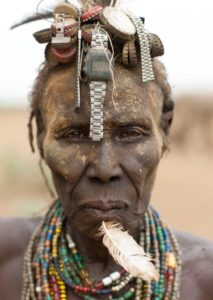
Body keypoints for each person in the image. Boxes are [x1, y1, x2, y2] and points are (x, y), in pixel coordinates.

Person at [0, 1, 213, 299]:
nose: (103, 168)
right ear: (39, 134)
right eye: (74, 134)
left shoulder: (204, 281)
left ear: (164, 131)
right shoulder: (5, 262)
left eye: (130, 134)